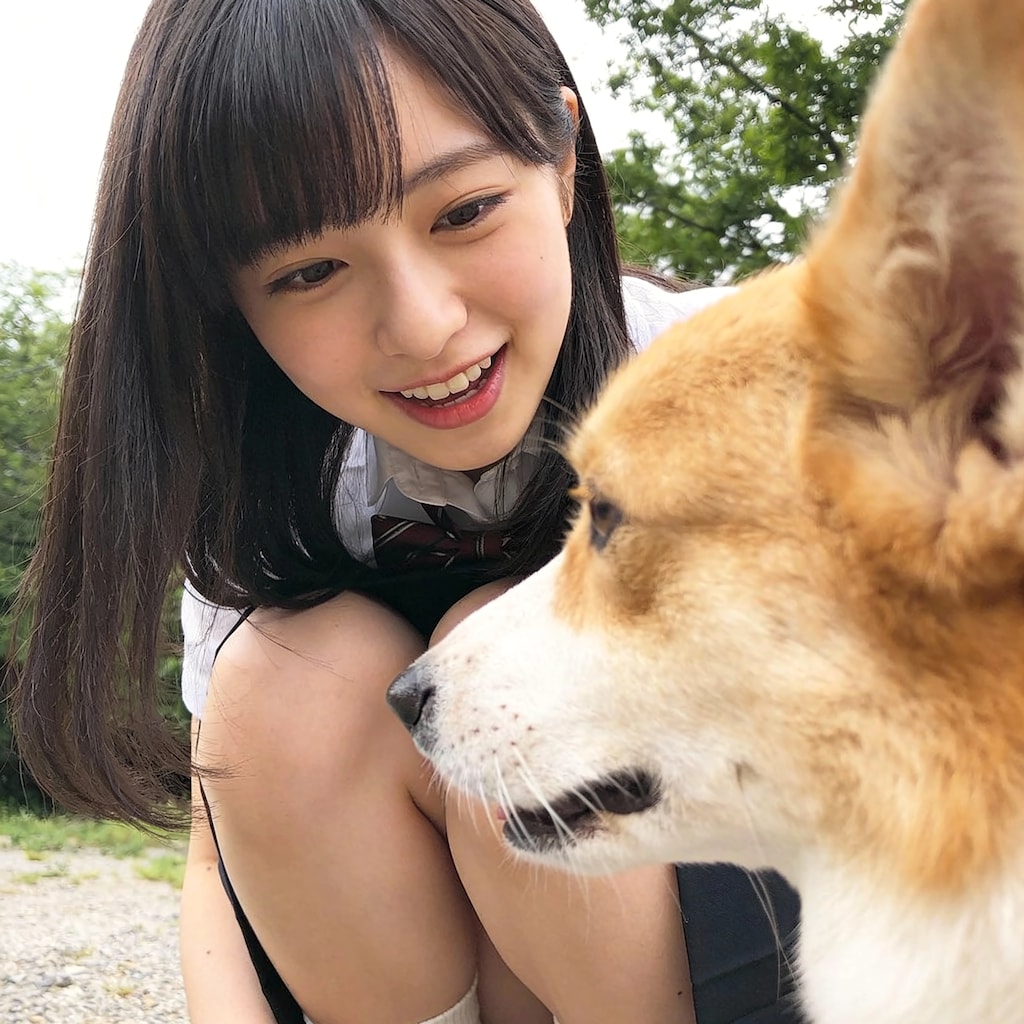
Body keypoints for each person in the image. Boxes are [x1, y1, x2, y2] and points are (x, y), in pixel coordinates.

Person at [11, 1, 802, 1022]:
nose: (423, 325)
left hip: (739, 930)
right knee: (286, 684)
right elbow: (217, 859)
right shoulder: (264, 491)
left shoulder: (745, 381)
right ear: (234, 302)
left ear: (562, 158)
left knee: (506, 652)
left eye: (464, 210)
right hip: (408, 956)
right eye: (308, 271)